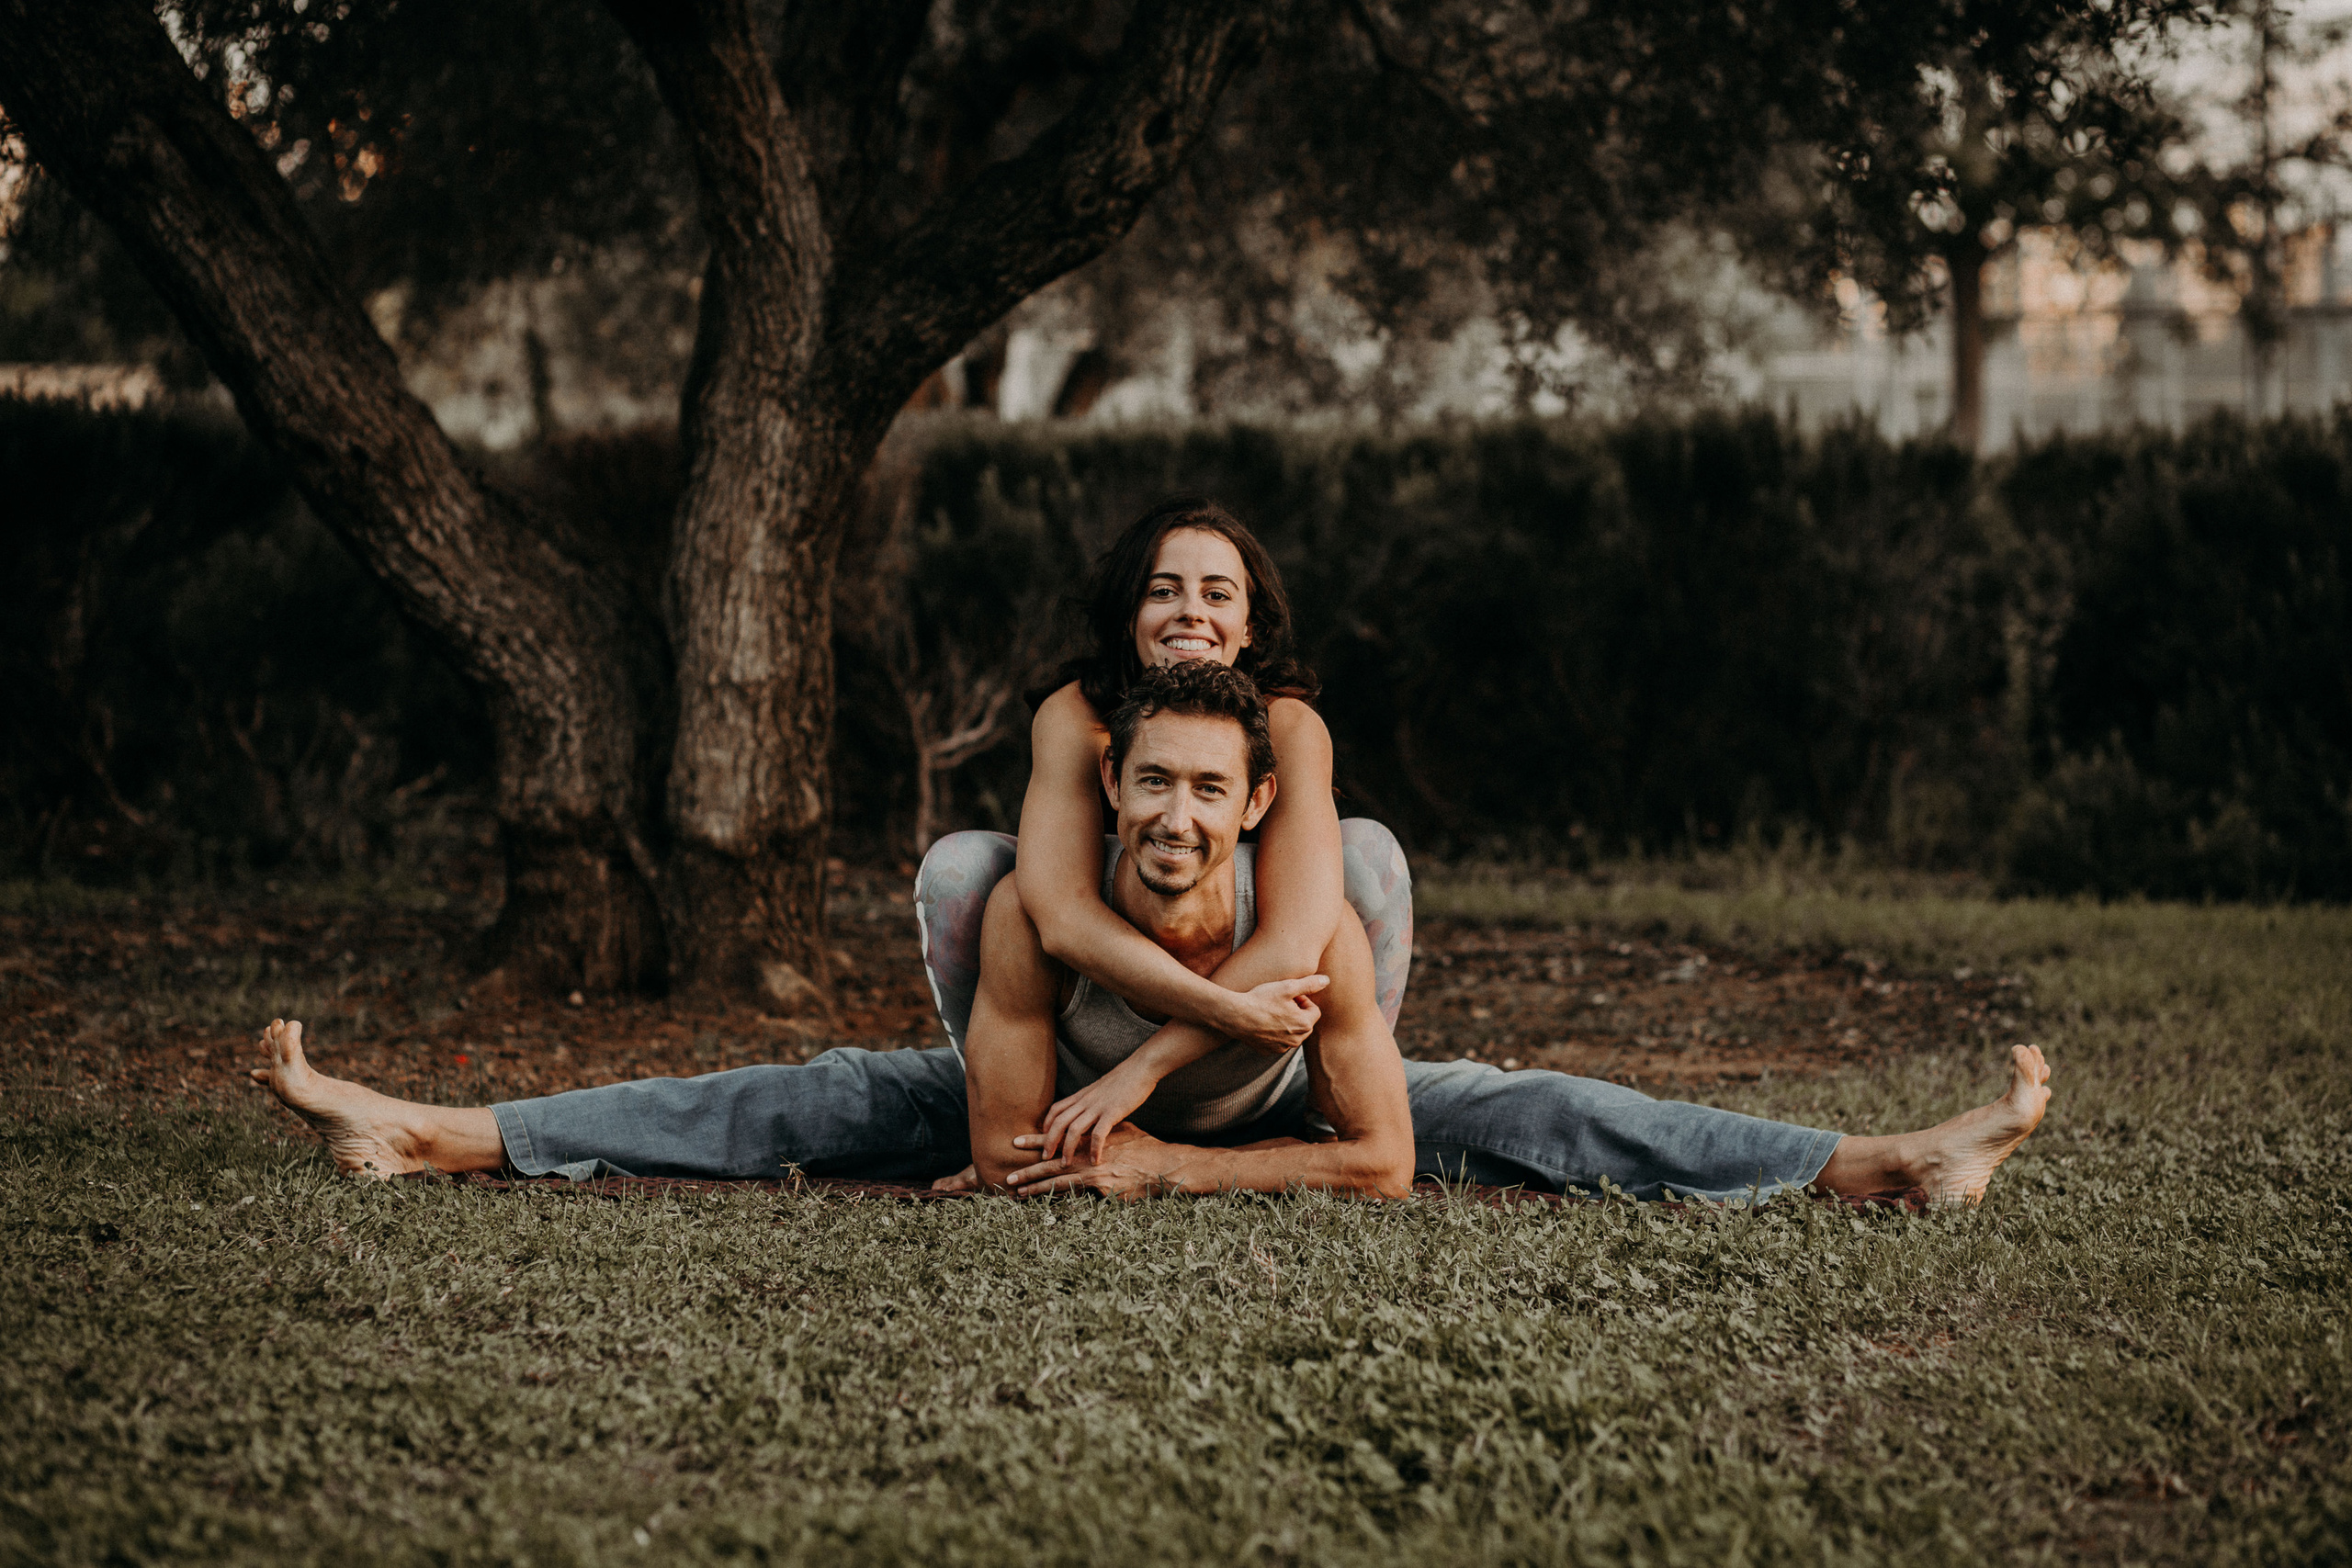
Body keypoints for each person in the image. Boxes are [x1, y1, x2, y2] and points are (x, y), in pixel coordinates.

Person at [251, 662, 2052, 1207]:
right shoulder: (1053, 919)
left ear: (1254, 802)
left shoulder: (1311, 905)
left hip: (1241, 1115)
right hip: (1053, 1089)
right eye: (1150, 786)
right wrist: (1074, 1131)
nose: (1178, 812)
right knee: (789, 1095)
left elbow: (1376, 1156)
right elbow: (987, 1143)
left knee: (1548, 1102)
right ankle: (428, 1125)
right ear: (1109, 790)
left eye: (1210, 786)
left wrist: (1158, 1170)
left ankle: (1879, 1161)